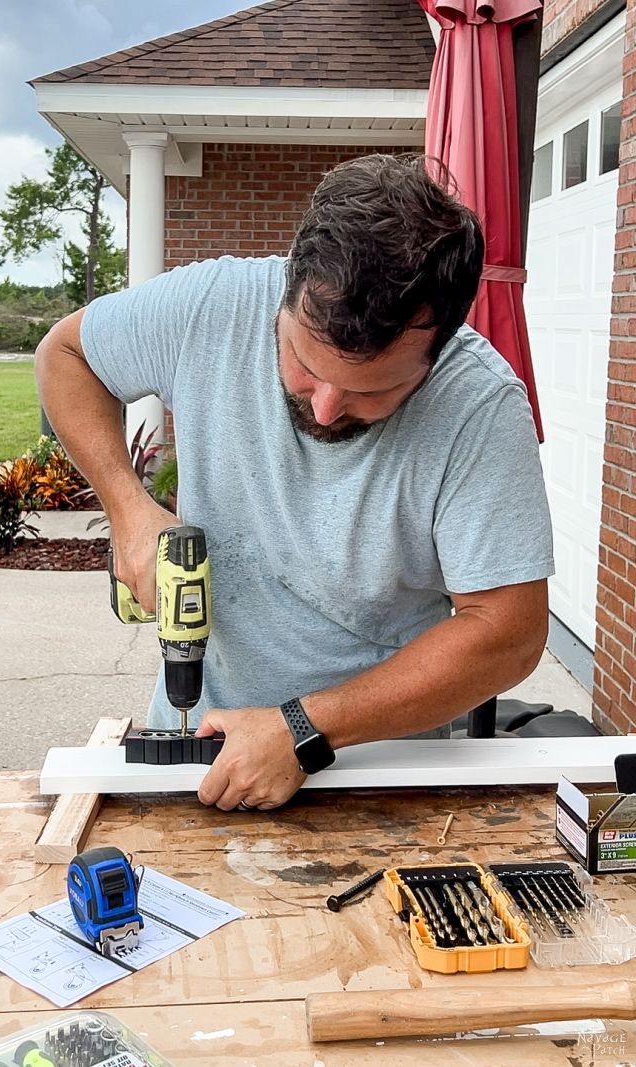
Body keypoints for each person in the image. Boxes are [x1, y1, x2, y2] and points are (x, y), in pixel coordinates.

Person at [35, 153, 554, 813]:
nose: (327, 407)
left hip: (376, 773)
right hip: (195, 743)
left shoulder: (479, 406)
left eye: (375, 390)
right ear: (288, 290)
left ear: (437, 350)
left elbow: (508, 632)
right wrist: (128, 508)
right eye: (305, 363)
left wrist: (303, 728)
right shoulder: (212, 306)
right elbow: (66, 354)